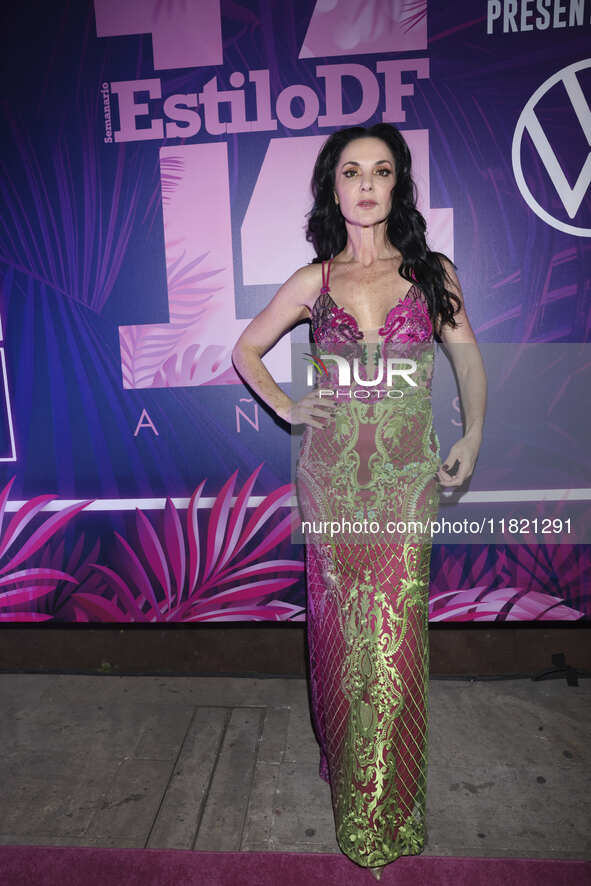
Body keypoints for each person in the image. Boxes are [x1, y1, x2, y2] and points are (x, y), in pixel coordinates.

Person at [232, 123, 487, 880]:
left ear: (397, 184)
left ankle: (381, 810)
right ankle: (346, 766)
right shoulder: (314, 281)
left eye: (381, 170)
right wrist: (286, 406)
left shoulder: (431, 272)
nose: (366, 183)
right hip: (332, 481)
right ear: (333, 187)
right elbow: (246, 349)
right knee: (341, 639)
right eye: (352, 171)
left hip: (406, 481)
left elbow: (466, 360)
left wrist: (473, 433)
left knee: (396, 638)